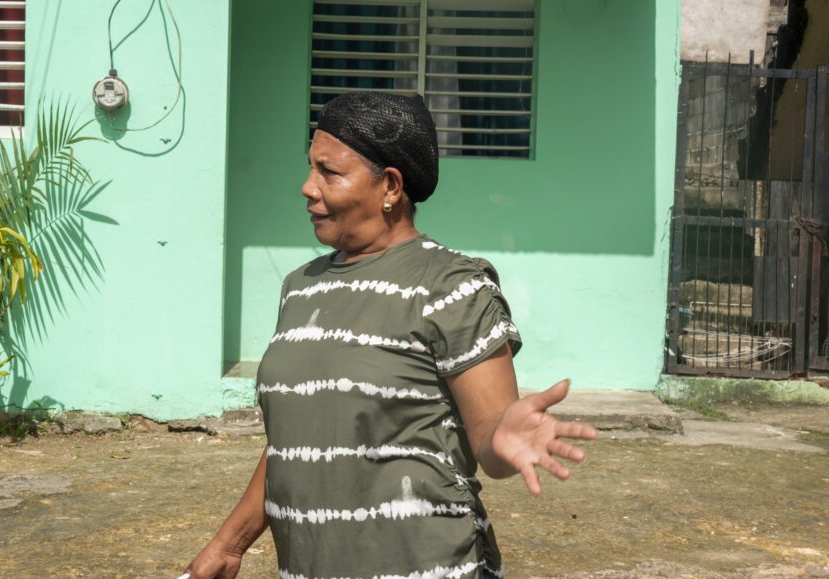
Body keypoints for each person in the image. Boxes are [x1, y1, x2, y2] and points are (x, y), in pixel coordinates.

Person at [183, 92, 597, 579]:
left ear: (391, 186)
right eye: (310, 168)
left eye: (328, 172)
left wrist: (502, 436)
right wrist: (229, 544)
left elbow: (491, 440)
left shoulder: (452, 286)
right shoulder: (300, 288)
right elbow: (293, 443)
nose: (307, 187)